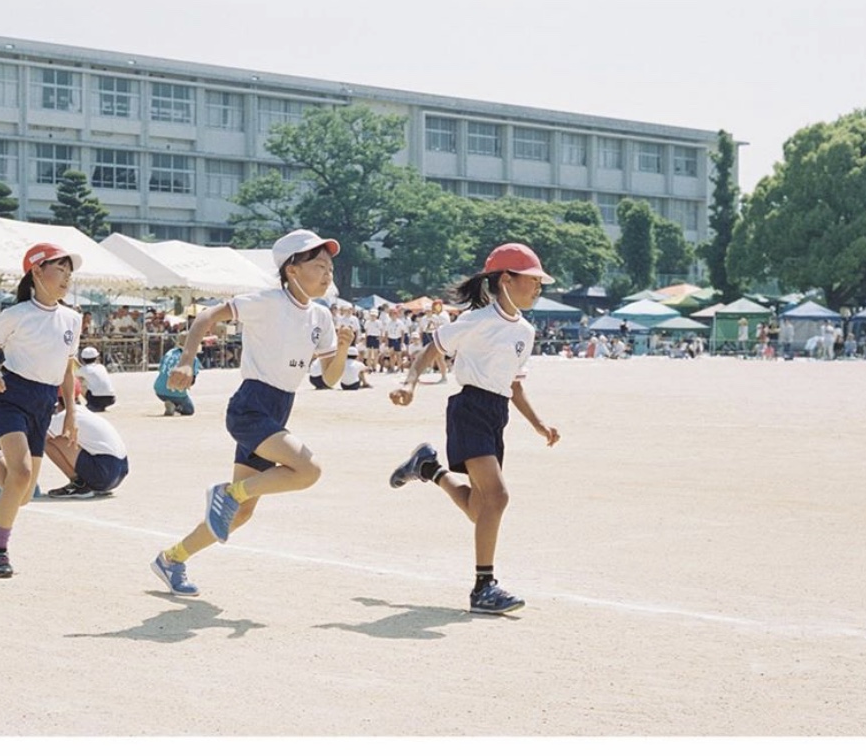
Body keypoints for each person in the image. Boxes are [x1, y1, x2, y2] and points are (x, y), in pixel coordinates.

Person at [150, 229, 354, 597]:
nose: (328, 274)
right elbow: (205, 318)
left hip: (279, 410)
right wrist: (185, 360)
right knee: (308, 470)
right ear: (292, 269)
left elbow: (330, 378)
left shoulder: (321, 317)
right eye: (319, 265)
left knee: (241, 513)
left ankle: (172, 558)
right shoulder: (268, 301)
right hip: (250, 407)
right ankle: (227, 492)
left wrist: (341, 349)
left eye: (330, 268)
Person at [387, 243, 561, 615]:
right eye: (532, 281)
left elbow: (514, 385)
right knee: (497, 497)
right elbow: (432, 348)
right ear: (506, 280)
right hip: (469, 408)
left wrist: (538, 423)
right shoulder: (477, 319)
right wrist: (410, 382)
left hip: (497, 414)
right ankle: (484, 587)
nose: (538, 288)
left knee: (480, 507)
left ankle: (427, 467)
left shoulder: (526, 332)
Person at [0, 243, 82, 578]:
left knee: (23, 494)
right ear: (36, 271)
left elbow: (67, 369)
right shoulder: (16, 315)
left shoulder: (73, 319)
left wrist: (72, 415)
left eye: (69, 273)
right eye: (59, 270)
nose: (66, 279)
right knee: (19, 476)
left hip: (45, 403)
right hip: (11, 396)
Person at [43, 400, 130, 499]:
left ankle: (78, 484)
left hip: (104, 472)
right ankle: (92, 485)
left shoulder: (63, 416)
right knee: (65, 435)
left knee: (47, 441)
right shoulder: (83, 411)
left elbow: (37, 441)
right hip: (119, 472)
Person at [154, 335, 201, 415]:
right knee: (189, 410)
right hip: (176, 392)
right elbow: (192, 381)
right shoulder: (192, 358)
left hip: (159, 390)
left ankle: (171, 403)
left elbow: (161, 369)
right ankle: (176, 405)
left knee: (169, 392)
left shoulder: (170, 352)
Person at [75, 346, 116, 412]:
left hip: (95, 399)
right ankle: (99, 406)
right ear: (96, 357)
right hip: (111, 399)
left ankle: (82, 402)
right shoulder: (101, 367)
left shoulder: (84, 369)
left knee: (79, 381)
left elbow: (75, 374)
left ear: (82, 358)